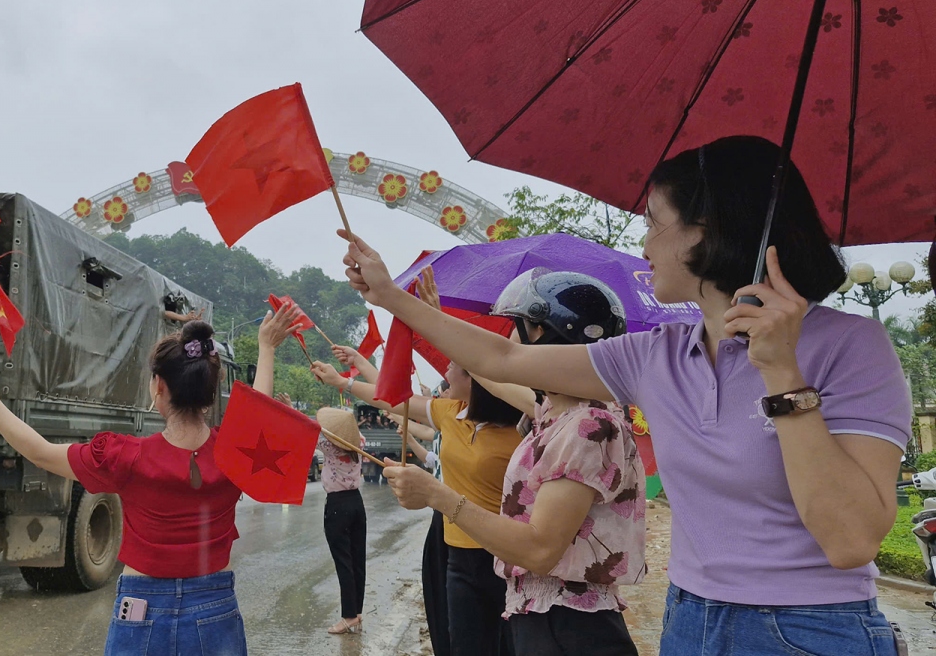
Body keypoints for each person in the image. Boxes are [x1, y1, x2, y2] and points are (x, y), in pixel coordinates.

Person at [337, 135, 908, 655]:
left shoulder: (850, 347)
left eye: (654, 222)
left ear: (706, 230)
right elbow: (502, 359)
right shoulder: (654, 355)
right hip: (689, 619)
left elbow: (851, 540)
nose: (643, 242)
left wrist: (783, 374)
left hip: (811, 628)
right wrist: (389, 295)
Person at [0, 302, 303, 656]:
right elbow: (259, 411)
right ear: (211, 390)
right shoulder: (234, 453)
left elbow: (41, 452)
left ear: (159, 387)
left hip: (141, 607)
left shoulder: (126, 456)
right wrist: (267, 348)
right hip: (215, 606)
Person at [386, 270, 645, 655]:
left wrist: (438, 496)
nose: (508, 342)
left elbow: (540, 550)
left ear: (548, 338)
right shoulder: (555, 413)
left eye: (517, 329)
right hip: (547, 618)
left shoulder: (588, 426)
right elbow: (490, 367)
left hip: (566, 627)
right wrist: (424, 314)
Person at [312, 355, 523, 656]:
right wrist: (343, 381)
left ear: (477, 378)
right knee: (461, 642)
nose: (447, 370)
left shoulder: (525, 428)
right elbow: (392, 399)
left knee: (508, 644)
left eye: (454, 365)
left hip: (505, 554)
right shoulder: (450, 413)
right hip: (457, 555)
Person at [314, 407, 368, 636]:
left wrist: (288, 408)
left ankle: (348, 617)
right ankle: (356, 611)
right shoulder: (360, 443)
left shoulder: (328, 447)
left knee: (343, 562)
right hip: (357, 502)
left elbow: (310, 431)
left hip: (337, 504)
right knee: (357, 559)